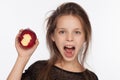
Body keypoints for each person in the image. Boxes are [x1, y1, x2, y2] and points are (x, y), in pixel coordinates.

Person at [7, 2, 98, 80]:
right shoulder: (39, 70)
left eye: (77, 32)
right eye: (62, 32)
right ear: (52, 36)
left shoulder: (91, 78)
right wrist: (22, 57)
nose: (69, 38)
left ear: (85, 37)